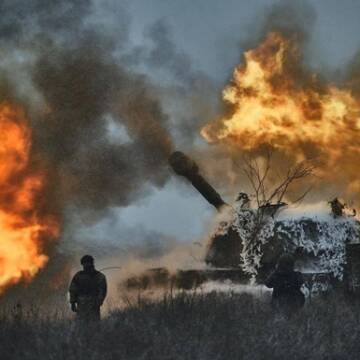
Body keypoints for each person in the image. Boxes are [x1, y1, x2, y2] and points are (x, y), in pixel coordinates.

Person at [69, 255, 107, 322]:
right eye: (85, 263)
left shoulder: (99, 276)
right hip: (83, 304)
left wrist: (98, 302)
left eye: (87, 263)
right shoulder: (79, 275)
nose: (86, 265)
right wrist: (72, 303)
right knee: (87, 325)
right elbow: (73, 290)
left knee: (92, 325)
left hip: (91, 304)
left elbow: (102, 291)